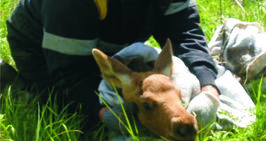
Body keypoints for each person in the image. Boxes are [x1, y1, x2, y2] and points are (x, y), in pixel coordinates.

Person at [5, 0, 219, 126]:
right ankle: (13, 84)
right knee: (68, 112)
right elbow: (70, 72)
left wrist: (208, 89)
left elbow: (185, 33)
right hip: (41, 49)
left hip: (107, 44)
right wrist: (106, 114)